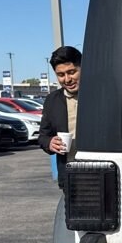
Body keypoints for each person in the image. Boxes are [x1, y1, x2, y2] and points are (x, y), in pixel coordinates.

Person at [39, 45, 81, 190]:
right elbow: (43, 136)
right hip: (70, 176)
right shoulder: (52, 100)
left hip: (103, 171)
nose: (67, 79)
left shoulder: (101, 94)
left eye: (72, 72)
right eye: (61, 75)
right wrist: (49, 142)